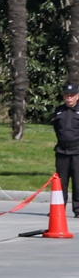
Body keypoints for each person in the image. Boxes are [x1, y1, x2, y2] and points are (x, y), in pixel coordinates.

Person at [52, 83, 79, 217]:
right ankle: (58, 208)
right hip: (62, 152)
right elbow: (57, 128)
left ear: (77, 96)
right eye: (67, 96)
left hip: (77, 152)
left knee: (77, 183)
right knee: (60, 183)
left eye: (72, 96)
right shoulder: (59, 111)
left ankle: (78, 209)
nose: (69, 98)